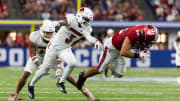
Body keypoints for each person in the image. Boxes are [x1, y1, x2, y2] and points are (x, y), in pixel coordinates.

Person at [9, 20, 94, 101]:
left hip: (52, 57)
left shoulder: (58, 37)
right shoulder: (34, 36)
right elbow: (32, 53)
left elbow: (59, 53)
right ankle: (15, 94)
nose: (49, 35)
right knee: (25, 74)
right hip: (38, 56)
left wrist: (59, 66)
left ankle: (84, 90)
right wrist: (39, 65)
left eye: (51, 32)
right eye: (47, 32)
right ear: (41, 31)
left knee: (66, 74)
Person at [28, 7, 103, 97]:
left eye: (88, 20)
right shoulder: (72, 19)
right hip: (54, 47)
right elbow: (63, 22)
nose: (87, 21)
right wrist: (57, 23)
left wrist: (96, 41)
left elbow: (89, 37)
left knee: (73, 63)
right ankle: (31, 84)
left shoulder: (86, 28)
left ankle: (61, 82)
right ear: (79, 16)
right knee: (44, 70)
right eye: (86, 19)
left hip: (65, 48)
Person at [77, 25, 159, 90]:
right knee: (100, 69)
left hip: (121, 48)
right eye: (149, 40)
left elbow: (136, 45)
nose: (150, 43)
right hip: (112, 48)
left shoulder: (143, 32)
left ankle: (111, 66)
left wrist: (141, 50)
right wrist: (138, 55)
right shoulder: (134, 34)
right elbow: (123, 52)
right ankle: (83, 76)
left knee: (119, 74)